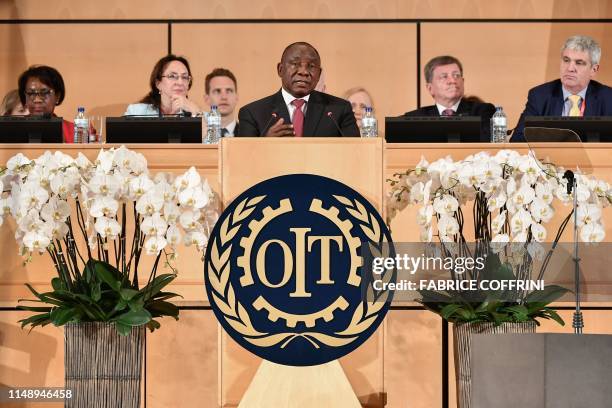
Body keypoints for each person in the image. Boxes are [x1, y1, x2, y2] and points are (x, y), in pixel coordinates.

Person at [237, 42, 359, 137]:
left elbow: (356, 154)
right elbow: (242, 160)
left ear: (319, 74)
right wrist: (265, 144)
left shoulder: (338, 111)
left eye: (311, 66)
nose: (303, 72)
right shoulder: (252, 113)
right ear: (280, 69)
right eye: (295, 64)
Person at [511, 35, 612, 142]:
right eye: (566, 60)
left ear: (594, 70)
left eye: (579, 63)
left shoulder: (608, 98)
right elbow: (518, 140)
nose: (570, 68)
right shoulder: (539, 96)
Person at [403, 55, 496, 141]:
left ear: (463, 82)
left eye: (456, 75)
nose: (452, 81)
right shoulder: (414, 119)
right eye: (444, 77)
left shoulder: (483, 112)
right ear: (430, 88)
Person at [125, 54, 202, 116]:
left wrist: (196, 113)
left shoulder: (200, 114)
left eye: (184, 77)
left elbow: (211, 135)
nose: (180, 82)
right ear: (158, 84)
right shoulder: (136, 112)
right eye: (172, 76)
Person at [18, 65, 75, 142]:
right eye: (31, 93)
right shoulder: (10, 130)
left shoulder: (74, 132)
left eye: (44, 93)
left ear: (57, 96)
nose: (37, 100)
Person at [204, 68, 239, 137]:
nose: (224, 97)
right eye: (217, 91)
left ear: (236, 97)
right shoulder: (196, 135)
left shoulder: (249, 135)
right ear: (207, 98)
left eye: (229, 91)